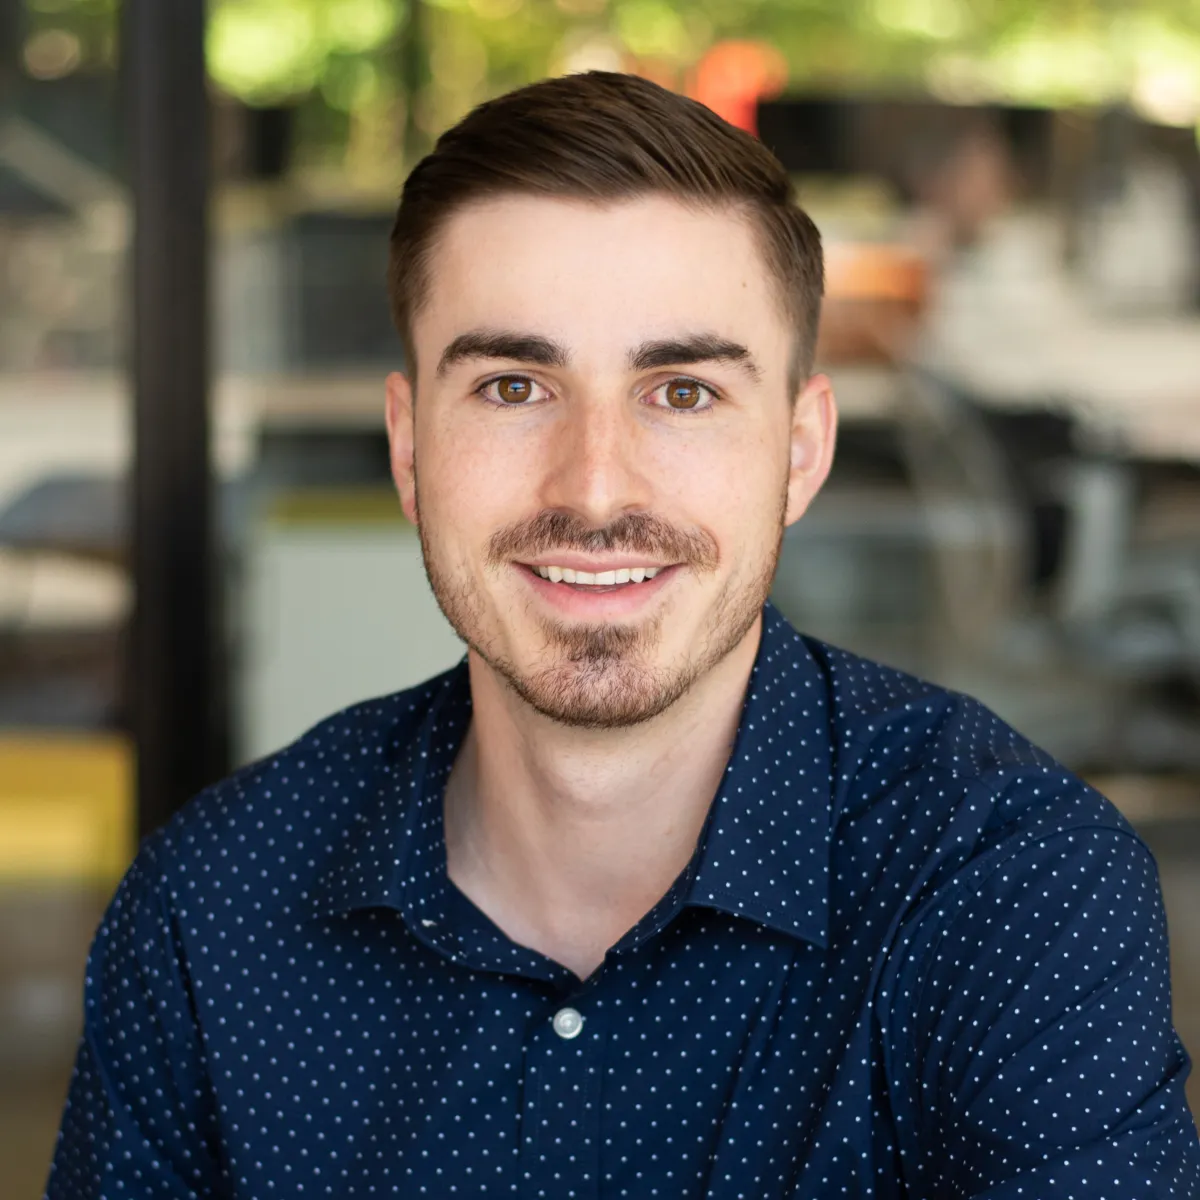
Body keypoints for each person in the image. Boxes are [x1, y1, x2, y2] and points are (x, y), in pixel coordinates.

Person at [48, 72, 1199, 1198]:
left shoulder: (1013, 888)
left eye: (683, 391)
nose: (596, 489)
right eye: (512, 386)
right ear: (410, 451)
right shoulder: (214, 908)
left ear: (800, 451)